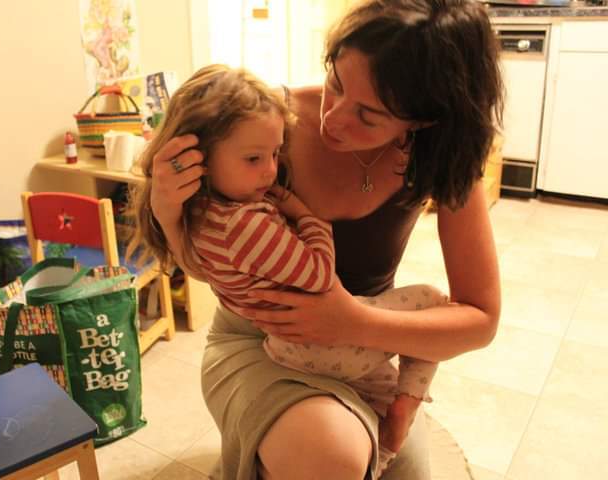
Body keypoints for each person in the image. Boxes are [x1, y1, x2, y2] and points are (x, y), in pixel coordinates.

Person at [140, 0, 503, 478]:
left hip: (363, 347)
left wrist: (350, 321)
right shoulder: (265, 125)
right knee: (331, 458)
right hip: (256, 340)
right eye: (335, 82)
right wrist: (168, 214)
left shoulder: (444, 157)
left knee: (402, 471)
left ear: (422, 121)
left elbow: (480, 319)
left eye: (369, 116)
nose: (334, 117)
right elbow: (216, 262)